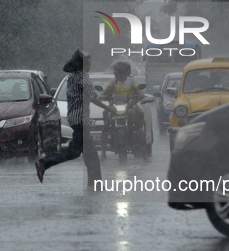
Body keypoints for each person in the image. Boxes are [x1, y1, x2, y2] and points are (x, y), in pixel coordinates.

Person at [34, 49, 116, 187]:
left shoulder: (72, 78)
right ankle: (45, 163)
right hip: (81, 121)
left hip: (74, 120)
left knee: (80, 152)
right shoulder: (84, 78)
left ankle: (93, 184)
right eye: (89, 62)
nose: (91, 64)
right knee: (88, 154)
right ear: (83, 64)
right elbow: (93, 98)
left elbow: (85, 96)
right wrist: (109, 108)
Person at [99, 61, 146, 161]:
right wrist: (102, 96)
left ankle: (143, 149)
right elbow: (104, 92)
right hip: (114, 107)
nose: (115, 73)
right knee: (105, 119)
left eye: (116, 71)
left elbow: (139, 92)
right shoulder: (113, 82)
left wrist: (137, 98)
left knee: (140, 114)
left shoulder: (132, 81)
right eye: (115, 71)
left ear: (123, 72)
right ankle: (103, 153)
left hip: (129, 106)